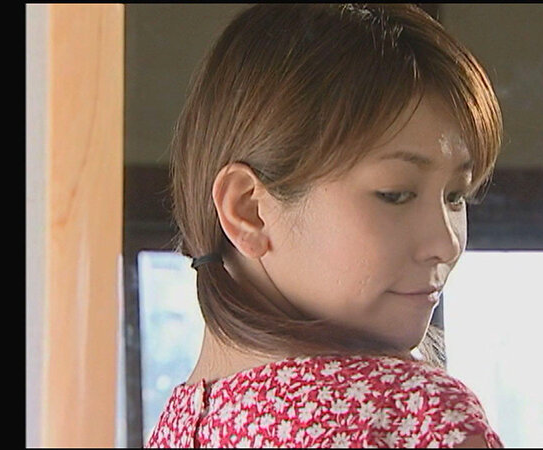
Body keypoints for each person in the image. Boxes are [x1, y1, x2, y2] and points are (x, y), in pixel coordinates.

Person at [146, 4, 503, 448]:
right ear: (248, 210)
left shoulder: (178, 427)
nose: (446, 243)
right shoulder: (412, 418)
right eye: (395, 194)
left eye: (455, 196)